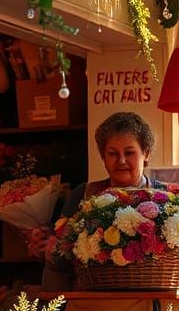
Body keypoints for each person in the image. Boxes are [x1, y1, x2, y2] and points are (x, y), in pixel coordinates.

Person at [29, 110, 168, 287]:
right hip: (92, 298)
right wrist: (47, 249)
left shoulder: (165, 196)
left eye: (129, 153)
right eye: (112, 154)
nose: (121, 161)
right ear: (103, 157)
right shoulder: (83, 194)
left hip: (150, 297)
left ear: (146, 154)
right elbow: (61, 257)